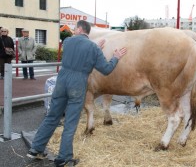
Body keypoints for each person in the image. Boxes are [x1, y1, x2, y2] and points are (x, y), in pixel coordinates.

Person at [26, 20, 127, 167]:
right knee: (70, 122)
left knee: (52, 116)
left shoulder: (67, 41)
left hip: (62, 80)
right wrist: (115, 57)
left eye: (75, 29)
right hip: (78, 82)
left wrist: (94, 48)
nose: (73, 31)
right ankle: (63, 157)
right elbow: (106, 69)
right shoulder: (93, 48)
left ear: (80, 29)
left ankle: (36, 149)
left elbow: (77, 50)